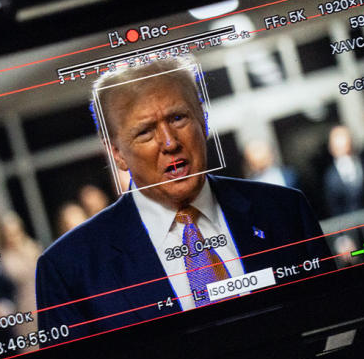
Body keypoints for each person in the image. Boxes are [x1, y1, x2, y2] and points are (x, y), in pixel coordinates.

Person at [35, 55, 326, 338]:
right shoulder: (68, 270)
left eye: (178, 118)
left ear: (203, 120)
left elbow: (331, 327)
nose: (170, 142)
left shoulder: (286, 210)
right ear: (118, 154)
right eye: (146, 132)